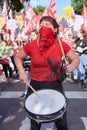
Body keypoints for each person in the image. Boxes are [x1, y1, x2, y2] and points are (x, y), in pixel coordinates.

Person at [14, 16, 80, 130]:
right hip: (35, 86)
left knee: (61, 122)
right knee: (35, 123)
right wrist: (21, 72)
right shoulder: (31, 45)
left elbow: (76, 59)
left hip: (55, 85)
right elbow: (17, 57)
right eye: (41, 24)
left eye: (47, 24)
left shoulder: (61, 44)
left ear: (55, 29)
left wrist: (72, 66)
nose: (43, 26)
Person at [20, 29, 38, 99]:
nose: (31, 37)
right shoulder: (29, 44)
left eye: (33, 35)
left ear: (37, 35)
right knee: (29, 79)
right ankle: (25, 93)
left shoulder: (40, 43)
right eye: (31, 35)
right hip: (31, 65)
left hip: (39, 67)